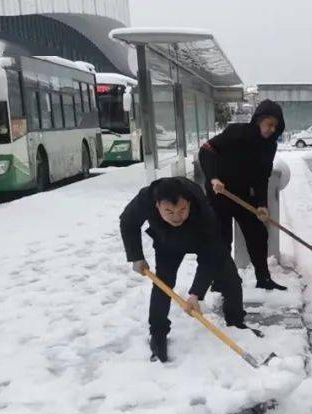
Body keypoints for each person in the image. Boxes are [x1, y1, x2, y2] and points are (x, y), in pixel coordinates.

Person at [120, 177, 246, 362]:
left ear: (188, 203)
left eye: (182, 210)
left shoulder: (203, 210)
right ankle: (158, 333)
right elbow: (128, 222)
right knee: (163, 284)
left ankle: (236, 320)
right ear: (157, 206)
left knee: (230, 277)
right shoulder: (146, 198)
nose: (176, 217)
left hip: (201, 238)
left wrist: (196, 294)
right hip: (167, 242)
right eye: (168, 211)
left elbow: (210, 256)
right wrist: (136, 256)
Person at [199, 99, 288, 291]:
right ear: (258, 121)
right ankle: (220, 281)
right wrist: (213, 177)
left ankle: (263, 278)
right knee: (222, 237)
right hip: (219, 192)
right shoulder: (236, 132)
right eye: (269, 125)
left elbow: (262, 177)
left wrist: (262, 205)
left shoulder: (269, 146)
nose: (272, 130)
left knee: (258, 233)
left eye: (276, 126)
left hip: (242, 195)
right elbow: (207, 150)